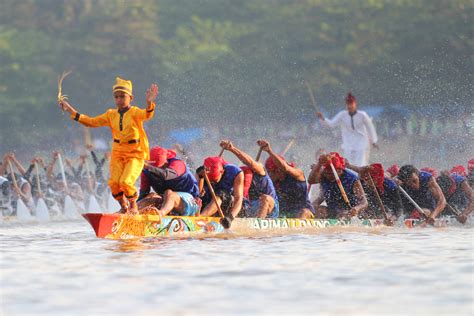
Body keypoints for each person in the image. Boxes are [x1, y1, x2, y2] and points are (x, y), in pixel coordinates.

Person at [58, 77, 158, 214]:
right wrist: (71, 111)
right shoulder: (110, 114)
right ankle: (124, 207)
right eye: (116, 97)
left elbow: (147, 114)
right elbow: (91, 122)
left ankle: (133, 206)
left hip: (135, 153)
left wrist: (149, 102)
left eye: (122, 96)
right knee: (114, 184)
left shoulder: (135, 112)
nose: (119, 100)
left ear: (131, 98)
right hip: (117, 152)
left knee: (126, 182)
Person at [219, 140, 278, 218]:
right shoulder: (238, 179)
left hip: (270, 207)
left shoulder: (260, 171)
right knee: (229, 199)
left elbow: (251, 163)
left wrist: (232, 149)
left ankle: (258, 225)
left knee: (265, 198)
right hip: (250, 206)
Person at [316, 92, 378, 166]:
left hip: (361, 142)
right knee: (348, 163)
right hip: (348, 142)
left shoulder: (362, 115)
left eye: (351, 104)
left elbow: (370, 127)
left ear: (355, 104)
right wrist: (322, 118)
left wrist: (374, 141)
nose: (350, 106)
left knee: (360, 163)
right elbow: (331, 124)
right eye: (348, 104)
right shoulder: (342, 115)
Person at [258, 139, 314, 218]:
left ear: (278, 171)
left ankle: (298, 229)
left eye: (269, 172)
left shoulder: (298, 174)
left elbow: (284, 167)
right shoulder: (270, 183)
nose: (268, 176)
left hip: (302, 213)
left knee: (304, 212)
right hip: (282, 214)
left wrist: (269, 151)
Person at [138, 146, 200, 216]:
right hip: (167, 202)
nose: (156, 170)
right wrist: (136, 205)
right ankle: (131, 215)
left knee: (169, 193)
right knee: (150, 197)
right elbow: (143, 194)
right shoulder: (146, 171)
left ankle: (160, 214)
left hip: (191, 203)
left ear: (166, 161)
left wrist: (148, 167)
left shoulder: (178, 164)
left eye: (160, 167)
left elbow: (167, 175)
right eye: (155, 167)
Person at [309, 152, 368, 219]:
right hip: (332, 210)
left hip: (349, 212)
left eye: (331, 173)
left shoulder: (352, 179)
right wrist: (318, 165)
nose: (328, 176)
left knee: (342, 214)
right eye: (326, 173)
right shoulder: (323, 175)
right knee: (317, 210)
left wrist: (356, 209)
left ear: (340, 170)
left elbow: (364, 202)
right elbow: (311, 181)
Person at [198, 156, 244, 227]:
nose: (212, 183)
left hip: (227, 204)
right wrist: (200, 177)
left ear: (222, 172)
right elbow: (197, 192)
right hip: (209, 200)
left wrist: (230, 217)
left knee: (221, 193)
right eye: (210, 181)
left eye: (214, 180)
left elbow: (238, 199)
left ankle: (200, 217)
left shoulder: (236, 172)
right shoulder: (202, 171)